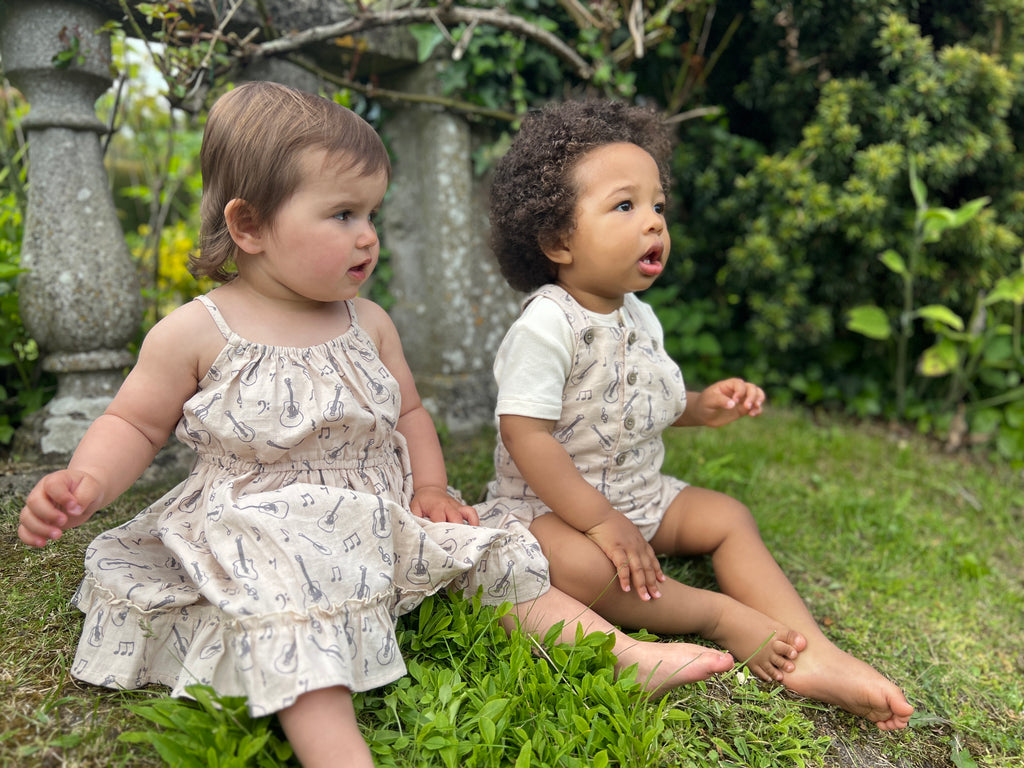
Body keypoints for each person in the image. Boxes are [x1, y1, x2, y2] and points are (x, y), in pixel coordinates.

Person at [17, 83, 735, 768]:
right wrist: (84, 481)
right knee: (290, 602)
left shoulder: (370, 323)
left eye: (372, 216)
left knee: (493, 550)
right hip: (262, 524)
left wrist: (429, 485)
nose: (368, 238)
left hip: (375, 513)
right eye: (342, 216)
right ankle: (338, 749)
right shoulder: (196, 331)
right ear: (250, 225)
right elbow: (133, 425)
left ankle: (621, 654)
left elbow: (411, 414)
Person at [477, 99, 915, 731]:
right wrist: (601, 523)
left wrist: (701, 408)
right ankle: (718, 617)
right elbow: (525, 433)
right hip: (553, 512)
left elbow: (633, 406)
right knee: (582, 568)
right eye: (625, 206)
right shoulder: (546, 325)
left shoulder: (638, 316)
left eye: (658, 206)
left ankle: (815, 651)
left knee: (728, 518)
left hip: (640, 494)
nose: (653, 223)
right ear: (556, 240)